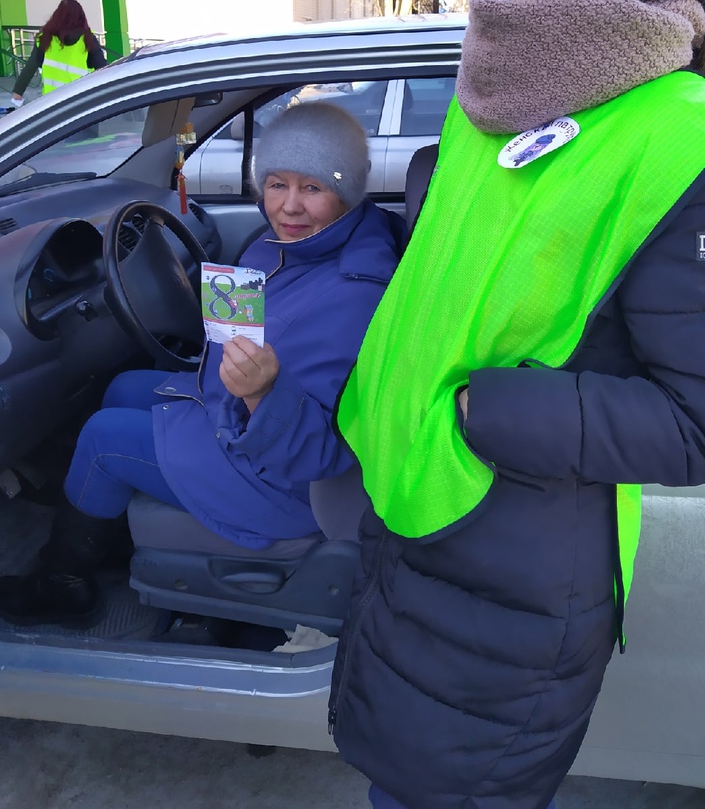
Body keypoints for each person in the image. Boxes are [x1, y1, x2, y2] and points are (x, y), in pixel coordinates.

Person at [328, 0, 705, 809]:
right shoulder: (492, 93)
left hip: (513, 581)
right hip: (418, 526)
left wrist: (482, 414)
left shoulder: (680, 136)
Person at [0, 102, 404, 627]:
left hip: (279, 482)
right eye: (276, 184)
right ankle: (105, 521)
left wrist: (263, 394)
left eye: (313, 187)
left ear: (347, 190)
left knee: (104, 438)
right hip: (236, 416)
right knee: (124, 386)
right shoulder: (300, 245)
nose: (288, 206)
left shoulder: (351, 297)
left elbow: (319, 454)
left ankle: (63, 585)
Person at [9, 0, 106, 107]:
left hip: (51, 100)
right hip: (79, 98)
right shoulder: (87, 38)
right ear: (81, 17)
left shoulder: (45, 38)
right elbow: (101, 66)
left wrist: (18, 90)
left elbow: (31, 66)